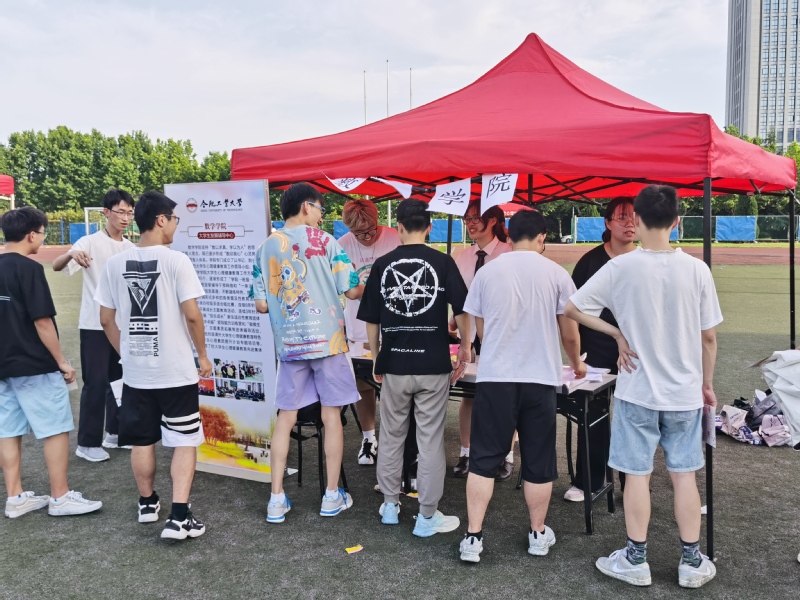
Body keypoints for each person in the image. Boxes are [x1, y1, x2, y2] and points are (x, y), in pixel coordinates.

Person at [565, 185, 721, 588]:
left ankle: (636, 558)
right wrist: (706, 383)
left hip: (637, 391)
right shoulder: (697, 270)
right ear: (677, 221)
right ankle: (691, 560)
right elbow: (708, 338)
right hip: (684, 392)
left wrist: (616, 333)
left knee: (637, 475)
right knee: (684, 475)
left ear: (636, 218)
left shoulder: (621, 267)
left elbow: (572, 308)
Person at [458, 210, 585, 563]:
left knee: (483, 458)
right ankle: (537, 533)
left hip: (496, 377)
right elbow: (569, 332)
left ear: (509, 236)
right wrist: (577, 363)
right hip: (539, 378)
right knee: (538, 459)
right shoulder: (556, 274)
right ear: (542, 237)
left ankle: (473, 536)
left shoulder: (487, 272)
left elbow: (481, 329)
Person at [95, 191, 212, 541]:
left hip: (136, 373)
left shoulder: (115, 264)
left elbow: (105, 320)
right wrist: (202, 355)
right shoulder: (177, 261)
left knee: (142, 440)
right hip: (175, 370)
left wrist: (126, 352)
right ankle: (179, 517)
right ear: (161, 220)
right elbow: (193, 315)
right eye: (174, 219)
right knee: (184, 440)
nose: (176, 225)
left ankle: (147, 503)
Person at [358, 198, 471, 538]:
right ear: (430, 227)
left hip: (394, 364)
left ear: (399, 228)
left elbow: (372, 319)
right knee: (430, 439)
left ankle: (390, 505)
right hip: (433, 364)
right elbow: (462, 310)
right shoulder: (443, 261)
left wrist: (376, 356)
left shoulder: (382, 264)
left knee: (391, 435)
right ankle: (426, 516)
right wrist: (466, 348)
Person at [252, 183, 364, 523]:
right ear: (305, 206)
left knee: (286, 417)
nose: (321, 215)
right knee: (331, 416)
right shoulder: (326, 241)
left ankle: (276, 499)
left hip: (290, 345)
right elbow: (353, 291)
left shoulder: (266, 247)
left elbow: (261, 304)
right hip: (328, 342)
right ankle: (331, 495)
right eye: (320, 209)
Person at [0, 207, 103, 518]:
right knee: (56, 428)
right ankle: (60, 497)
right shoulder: (29, 269)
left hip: (4, 365)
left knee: (7, 430)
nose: (42, 239)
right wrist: (62, 361)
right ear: (32, 234)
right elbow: (42, 321)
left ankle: (16, 496)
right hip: (34, 363)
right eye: (42, 234)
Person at [53, 189, 136, 462]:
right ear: (106, 212)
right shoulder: (88, 242)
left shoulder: (131, 248)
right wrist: (71, 255)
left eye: (130, 213)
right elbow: (56, 265)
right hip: (94, 324)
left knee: (120, 380)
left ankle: (115, 432)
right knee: (96, 383)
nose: (126, 218)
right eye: (121, 212)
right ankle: (87, 443)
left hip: (122, 325)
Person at [563, 197, 636, 503]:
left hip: (635, 351)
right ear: (607, 223)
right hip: (596, 348)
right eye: (622, 217)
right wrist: (576, 355)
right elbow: (572, 310)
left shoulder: (644, 260)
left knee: (633, 417)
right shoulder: (591, 261)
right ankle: (588, 480)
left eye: (634, 217)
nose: (630, 223)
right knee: (593, 416)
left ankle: (633, 482)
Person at [338, 198, 400, 465]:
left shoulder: (395, 239)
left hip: (395, 328)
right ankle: (369, 438)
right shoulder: (342, 246)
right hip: (358, 328)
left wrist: (364, 289)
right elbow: (347, 290)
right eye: (359, 233)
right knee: (363, 385)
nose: (366, 237)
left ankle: (396, 441)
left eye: (371, 230)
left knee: (396, 389)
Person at [452, 201, 512, 480]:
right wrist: (453, 322)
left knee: (505, 396)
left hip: (502, 335)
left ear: (493, 221)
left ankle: (505, 455)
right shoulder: (463, 256)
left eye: (477, 217)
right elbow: (458, 298)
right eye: (468, 219)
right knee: (469, 396)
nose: (471, 223)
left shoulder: (510, 253)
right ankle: (466, 452)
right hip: (469, 336)